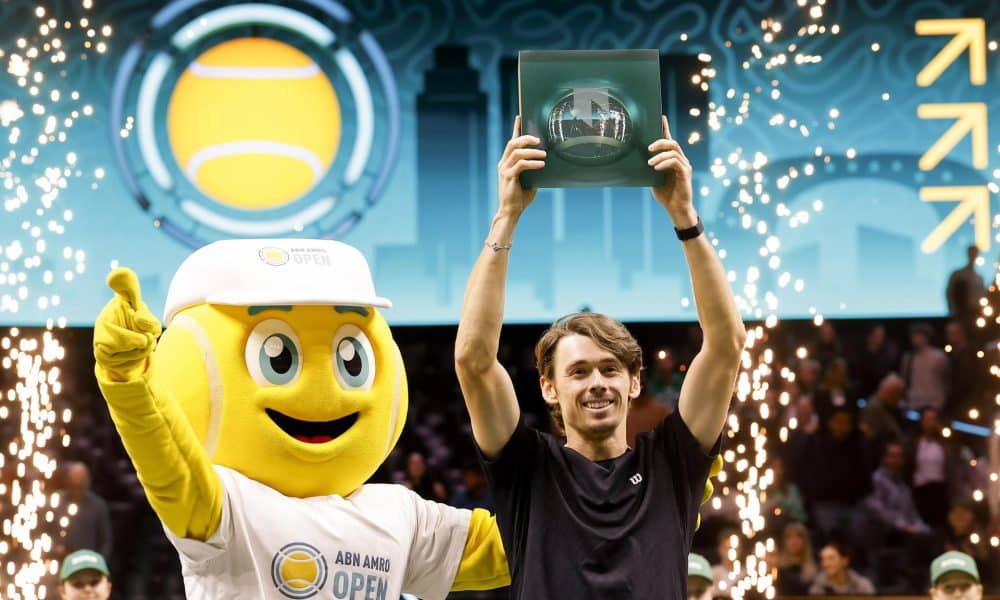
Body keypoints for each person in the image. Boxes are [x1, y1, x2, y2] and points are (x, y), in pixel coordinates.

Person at [454, 115, 744, 597]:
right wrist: (506, 216)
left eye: (611, 369)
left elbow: (726, 343)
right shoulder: (527, 468)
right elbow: (474, 361)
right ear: (549, 386)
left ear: (634, 382)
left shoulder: (672, 465)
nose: (597, 383)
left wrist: (685, 219)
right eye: (579, 370)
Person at [54, 462, 113, 562]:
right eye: (73, 486)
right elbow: (43, 531)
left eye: (80, 486)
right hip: (59, 563)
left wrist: (98, 564)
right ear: (67, 483)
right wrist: (54, 548)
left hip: (88, 565)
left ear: (87, 483)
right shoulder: (56, 502)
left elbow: (105, 541)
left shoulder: (98, 505)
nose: (76, 491)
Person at [809, 542, 875, 595]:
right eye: (823, 559)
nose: (825, 564)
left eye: (831, 558)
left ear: (845, 561)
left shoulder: (863, 587)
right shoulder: (817, 590)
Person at [945, 245, 986, 330]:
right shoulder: (958, 274)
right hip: (962, 313)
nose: (973, 255)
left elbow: (982, 295)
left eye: (975, 253)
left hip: (977, 313)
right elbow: (950, 293)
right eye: (972, 252)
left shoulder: (979, 277)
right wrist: (953, 310)